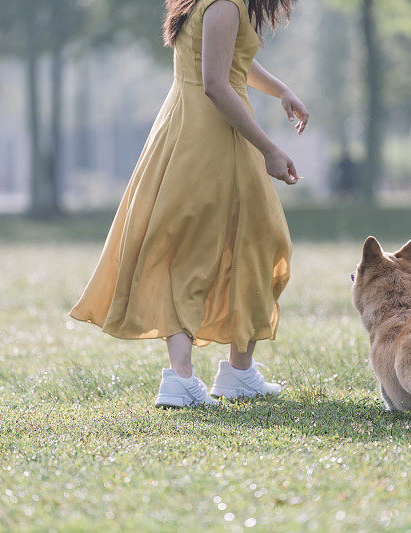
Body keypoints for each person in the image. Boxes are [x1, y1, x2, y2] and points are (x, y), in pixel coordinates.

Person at [69, 0, 308, 408]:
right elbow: (215, 84)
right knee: (221, 248)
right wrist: (268, 149)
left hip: (185, 129)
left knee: (236, 243)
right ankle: (186, 378)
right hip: (211, 139)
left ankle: (236, 371)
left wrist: (281, 89)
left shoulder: (211, 4)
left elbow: (228, 60)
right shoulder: (224, 6)